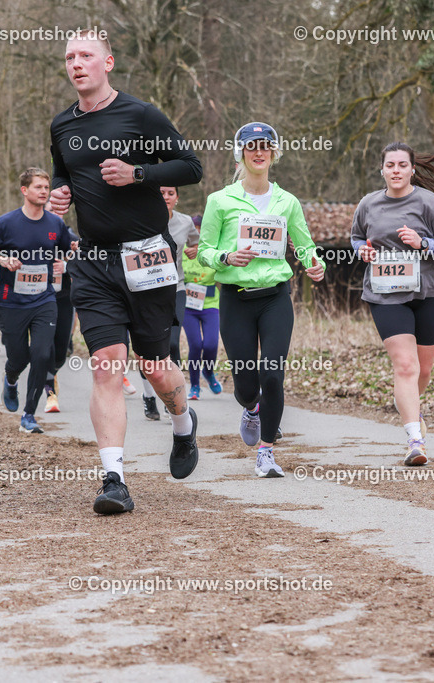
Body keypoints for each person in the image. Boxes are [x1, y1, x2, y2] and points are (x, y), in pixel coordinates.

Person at [50, 31, 203, 514]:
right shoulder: (61, 125)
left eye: (86, 56)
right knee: (107, 364)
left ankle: (184, 425)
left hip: (148, 256)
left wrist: (139, 174)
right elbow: (64, 172)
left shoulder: (140, 115)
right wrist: (60, 194)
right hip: (93, 260)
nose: (77, 64)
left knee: (155, 366)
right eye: (70, 57)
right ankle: (114, 478)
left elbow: (191, 166)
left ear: (107, 63)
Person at [198, 122, 325, 478]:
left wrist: (316, 264)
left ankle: (266, 452)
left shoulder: (287, 202)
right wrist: (226, 257)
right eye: (252, 146)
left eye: (266, 146)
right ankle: (252, 408)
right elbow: (206, 250)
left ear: (274, 153)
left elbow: (304, 244)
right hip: (236, 299)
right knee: (246, 384)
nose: (259, 152)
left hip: (275, 298)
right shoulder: (220, 201)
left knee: (272, 374)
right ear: (240, 153)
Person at [351, 142, 434, 466]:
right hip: (385, 295)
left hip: (428, 293)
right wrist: (362, 251)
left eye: (402, 165)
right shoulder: (368, 204)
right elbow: (357, 237)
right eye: (390, 165)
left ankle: (410, 403)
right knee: (405, 366)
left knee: (422, 370)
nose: (396, 170)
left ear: (412, 169)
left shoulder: (430, 203)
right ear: (382, 170)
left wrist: (423, 242)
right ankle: (416, 441)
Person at [0, 168, 76, 433]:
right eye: (38, 187)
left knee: (43, 354)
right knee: (18, 358)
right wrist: (1, 259)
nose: (44, 191)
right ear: (24, 190)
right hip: (11, 302)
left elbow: (69, 252)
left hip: (44, 300)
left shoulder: (55, 224)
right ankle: (10, 379)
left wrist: (67, 259)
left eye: (46, 187)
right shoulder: (6, 223)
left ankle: (29, 415)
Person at [139, 186, 199, 418]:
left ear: (177, 197)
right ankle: (148, 396)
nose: (165, 197)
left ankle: (170, 397)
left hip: (176, 289)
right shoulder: (140, 218)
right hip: (146, 291)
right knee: (148, 349)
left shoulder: (185, 222)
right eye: (160, 192)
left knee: (172, 344)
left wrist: (195, 249)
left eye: (170, 193)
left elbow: (197, 242)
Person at [181, 216, 222, 400]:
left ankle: (209, 372)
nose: (196, 232)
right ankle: (195, 386)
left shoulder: (212, 250)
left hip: (210, 304)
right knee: (196, 345)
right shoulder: (181, 250)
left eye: (200, 228)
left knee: (211, 344)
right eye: (193, 228)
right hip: (188, 306)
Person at [43, 200, 77, 413]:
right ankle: (50, 395)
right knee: (46, 346)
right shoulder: (34, 237)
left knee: (62, 350)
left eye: (58, 211)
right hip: (40, 299)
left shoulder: (72, 239)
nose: (55, 214)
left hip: (65, 298)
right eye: (50, 210)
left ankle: (50, 374)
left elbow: (89, 262)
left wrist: (65, 265)